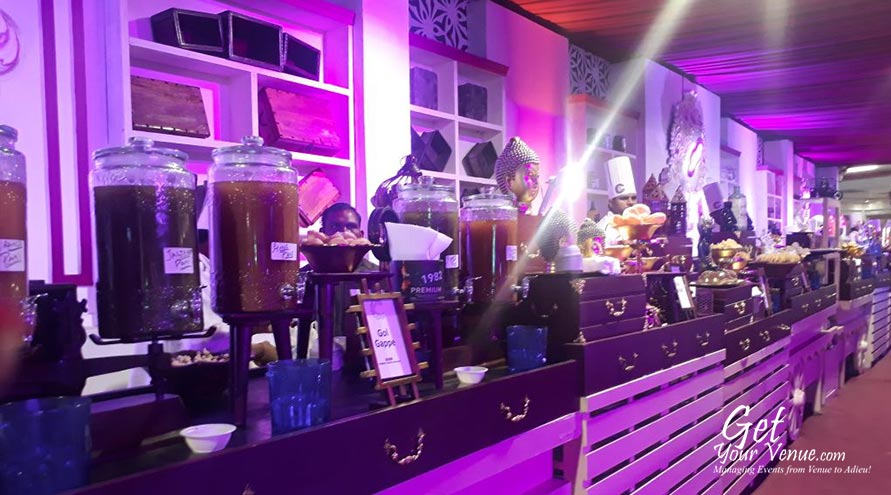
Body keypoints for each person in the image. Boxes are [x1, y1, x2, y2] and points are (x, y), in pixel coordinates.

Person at [597, 156, 637, 245]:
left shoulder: (639, 225)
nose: (631, 202)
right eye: (624, 198)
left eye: (633, 198)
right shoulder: (602, 229)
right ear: (611, 203)